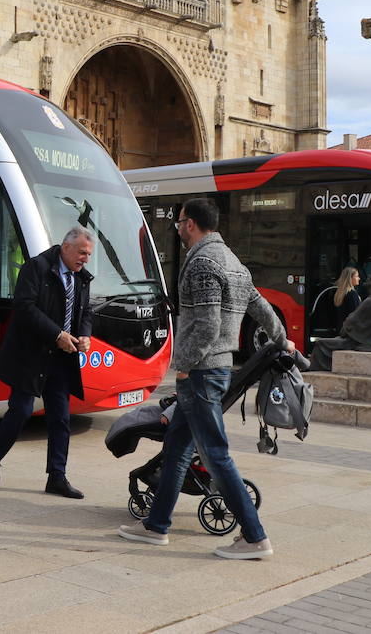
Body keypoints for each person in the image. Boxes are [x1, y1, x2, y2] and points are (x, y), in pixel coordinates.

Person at [118, 197, 293, 560]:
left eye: (179, 222)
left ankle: (255, 536)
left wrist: (184, 363)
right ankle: (156, 526)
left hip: (201, 372)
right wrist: (282, 339)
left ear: (192, 224)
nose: (178, 228)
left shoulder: (201, 263)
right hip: (214, 369)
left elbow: (209, 325)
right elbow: (259, 305)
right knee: (178, 450)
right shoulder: (233, 262)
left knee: (215, 455)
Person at [0, 225, 94, 499]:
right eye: (82, 253)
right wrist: (56, 334)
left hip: (61, 358)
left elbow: (86, 311)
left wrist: (85, 335)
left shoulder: (81, 278)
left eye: (89, 255)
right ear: (66, 248)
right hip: (31, 355)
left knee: (60, 418)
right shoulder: (37, 267)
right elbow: (24, 307)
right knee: (20, 411)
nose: (85, 259)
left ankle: (57, 476)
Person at [307, 268, 371, 372]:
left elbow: (351, 321)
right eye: (357, 276)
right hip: (360, 339)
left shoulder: (369, 301)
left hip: (354, 340)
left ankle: (314, 370)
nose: (360, 278)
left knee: (320, 344)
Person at [309, 266, 361, 332]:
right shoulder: (352, 294)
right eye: (357, 276)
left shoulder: (337, 292)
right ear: (350, 278)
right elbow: (355, 314)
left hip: (340, 329)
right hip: (350, 331)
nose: (359, 278)